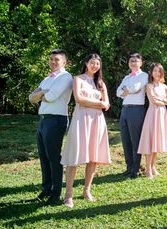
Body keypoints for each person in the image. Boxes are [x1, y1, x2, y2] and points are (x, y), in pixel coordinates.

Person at [60, 53, 111, 208]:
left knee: (93, 157)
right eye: (92, 62)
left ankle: (86, 190)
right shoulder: (78, 79)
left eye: (97, 63)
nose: (95, 65)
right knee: (74, 156)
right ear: (86, 63)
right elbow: (79, 99)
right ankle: (68, 195)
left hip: (97, 121)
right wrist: (98, 103)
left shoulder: (101, 83)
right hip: (81, 120)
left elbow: (107, 104)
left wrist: (97, 103)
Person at [28, 49, 74, 206]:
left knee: (54, 157)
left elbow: (50, 97)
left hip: (56, 120)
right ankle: (46, 190)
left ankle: (56, 194)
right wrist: (42, 92)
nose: (53, 62)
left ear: (64, 62)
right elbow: (31, 98)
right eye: (51, 59)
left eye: (57, 59)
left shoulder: (65, 77)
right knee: (44, 157)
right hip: (43, 120)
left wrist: (41, 93)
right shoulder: (48, 78)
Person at [138, 63, 167, 178]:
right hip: (153, 114)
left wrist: (162, 100)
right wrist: (164, 101)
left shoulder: (164, 86)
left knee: (157, 141)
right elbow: (154, 101)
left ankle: (153, 167)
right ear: (151, 72)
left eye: (159, 71)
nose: (157, 73)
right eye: (155, 71)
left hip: (162, 114)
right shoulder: (149, 85)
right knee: (150, 141)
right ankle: (148, 168)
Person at [116, 53, 149, 178]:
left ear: (141, 63)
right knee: (125, 140)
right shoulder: (126, 77)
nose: (133, 63)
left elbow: (135, 88)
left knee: (135, 140)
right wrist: (126, 91)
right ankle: (128, 167)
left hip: (136, 110)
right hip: (125, 109)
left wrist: (126, 91)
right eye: (131, 61)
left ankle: (135, 169)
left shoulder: (144, 75)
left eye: (136, 61)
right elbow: (118, 92)